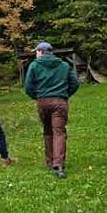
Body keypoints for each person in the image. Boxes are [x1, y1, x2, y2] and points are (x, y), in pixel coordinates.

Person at [24, 41, 79, 179]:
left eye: (36, 51)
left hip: (43, 101)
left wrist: (37, 96)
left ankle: (50, 162)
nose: (36, 54)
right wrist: (65, 95)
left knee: (48, 131)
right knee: (59, 132)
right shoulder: (64, 65)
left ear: (41, 52)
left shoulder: (35, 65)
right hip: (60, 101)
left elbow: (28, 86)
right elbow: (75, 83)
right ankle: (58, 164)